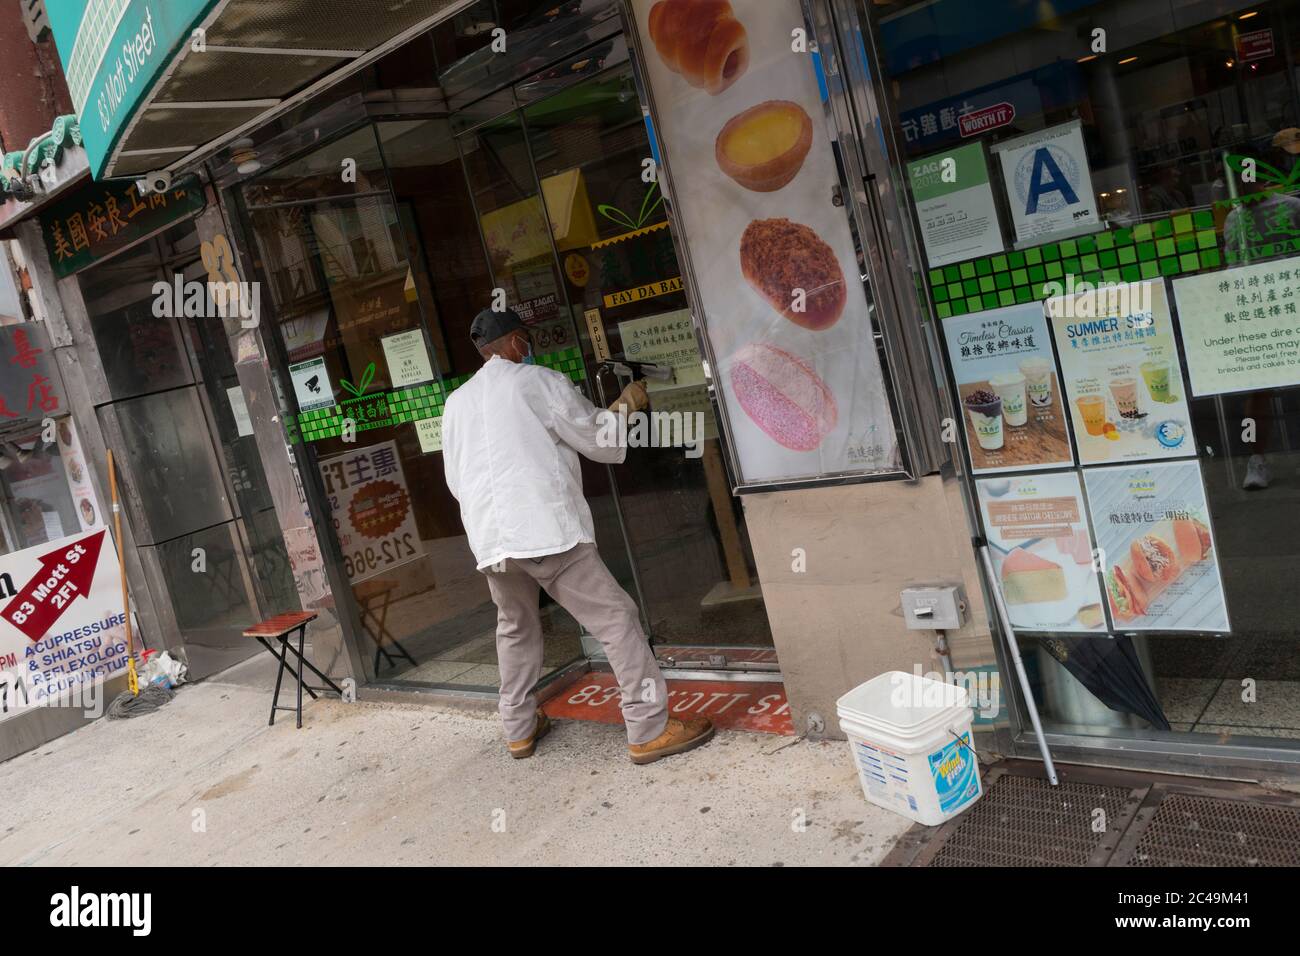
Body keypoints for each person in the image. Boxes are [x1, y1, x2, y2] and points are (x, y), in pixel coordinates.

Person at [441, 306, 715, 763]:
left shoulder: (456, 403)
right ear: (512, 343)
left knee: (515, 629)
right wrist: (629, 401)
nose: (529, 348)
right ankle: (650, 729)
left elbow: (456, 479)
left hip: (492, 541)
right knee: (617, 619)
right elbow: (598, 439)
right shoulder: (538, 383)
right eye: (525, 340)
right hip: (546, 534)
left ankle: (519, 728)